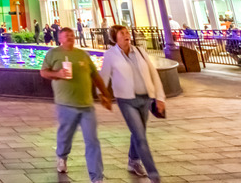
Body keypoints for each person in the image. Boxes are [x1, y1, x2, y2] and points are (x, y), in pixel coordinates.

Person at [40, 27, 112, 183]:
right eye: (67, 35)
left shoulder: (82, 54)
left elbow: (95, 76)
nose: (70, 37)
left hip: (87, 105)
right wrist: (57, 74)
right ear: (60, 38)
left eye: (72, 35)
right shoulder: (53, 54)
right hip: (65, 104)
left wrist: (105, 94)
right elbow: (44, 72)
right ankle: (62, 156)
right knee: (65, 136)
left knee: (92, 141)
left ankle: (97, 177)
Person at [100, 25, 165, 182]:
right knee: (141, 137)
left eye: (127, 32)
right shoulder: (111, 54)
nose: (126, 35)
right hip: (126, 100)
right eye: (122, 33)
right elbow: (103, 76)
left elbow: (153, 74)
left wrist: (160, 97)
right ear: (115, 38)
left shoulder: (140, 51)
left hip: (145, 98)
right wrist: (102, 95)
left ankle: (133, 161)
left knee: (138, 132)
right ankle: (154, 175)